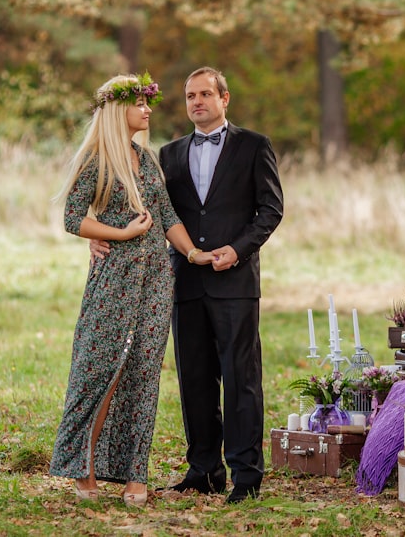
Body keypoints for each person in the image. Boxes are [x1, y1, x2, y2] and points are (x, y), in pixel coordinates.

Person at [94, 66, 283, 503]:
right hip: (184, 282)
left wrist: (238, 249)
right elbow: (146, 208)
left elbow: (271, 210)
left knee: (241, 379)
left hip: (235, 280)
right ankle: (204, 469)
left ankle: (246, 475)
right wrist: (100, 235)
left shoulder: (254, 146)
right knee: (195, 379)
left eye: (204, 94)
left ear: (224, 99)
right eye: (189, 96)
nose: (196, 102)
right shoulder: (169, 153)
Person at [50, 73, 214, 507]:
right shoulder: (97, 160)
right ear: (116, 109)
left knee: (143, 373)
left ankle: (133, 473)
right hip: (114, 278)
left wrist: (194, 254)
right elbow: (72, 218)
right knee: (101, 366)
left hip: (157, 279)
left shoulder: (146, 159)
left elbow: (167, 217)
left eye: (148, 103)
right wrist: (117, 234)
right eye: (139, 104)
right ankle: (81, 462)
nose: (148, 110)